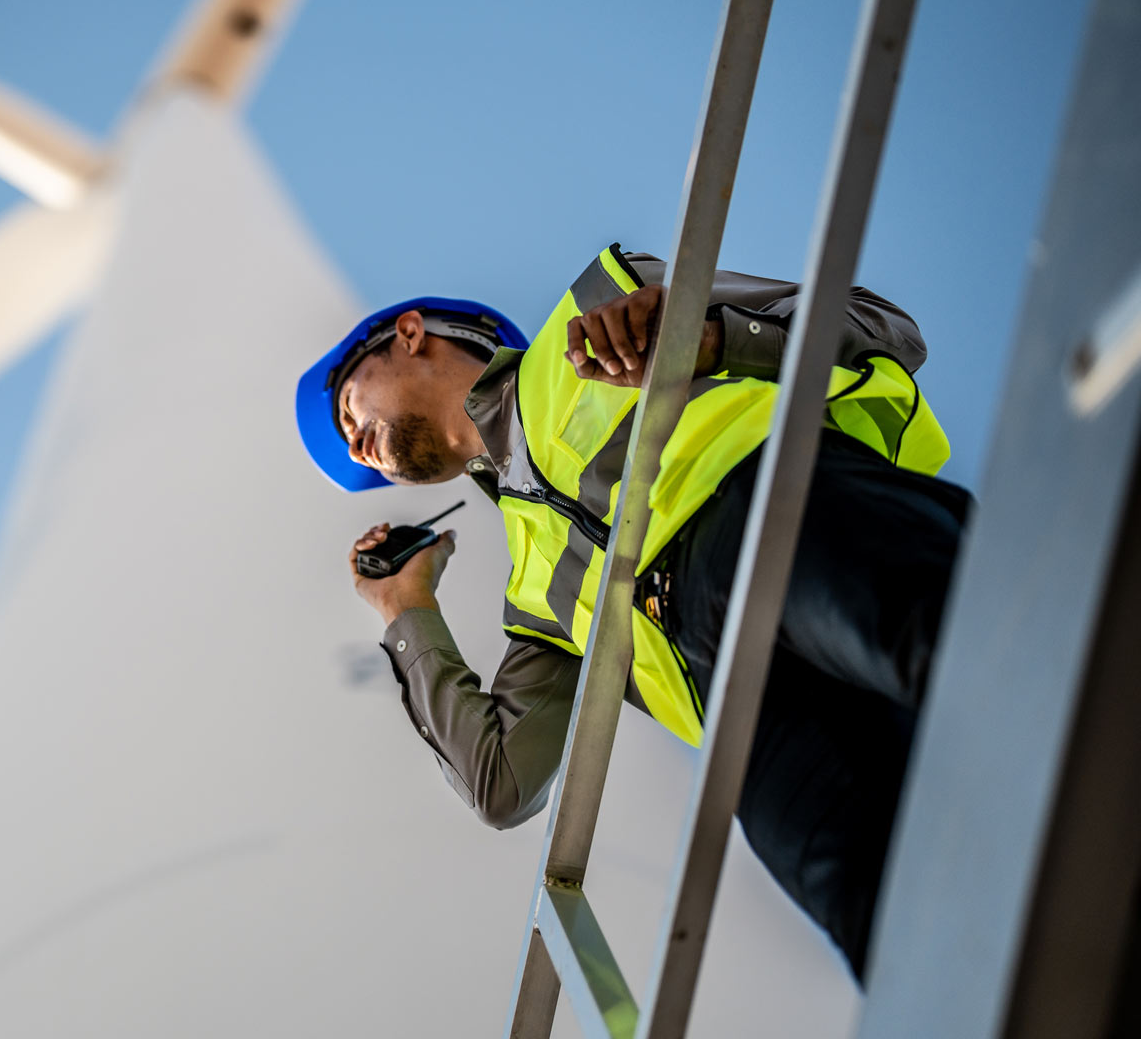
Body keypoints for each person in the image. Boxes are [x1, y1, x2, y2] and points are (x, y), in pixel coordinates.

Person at [294, 245, 971, 978]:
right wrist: (407, 609)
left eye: (346, 410)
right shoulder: (534, 596)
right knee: (881, 915)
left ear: (409, 333)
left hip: (774, 503)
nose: (357, 447)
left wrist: (705, 341)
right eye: (352, 455)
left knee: (972, 667)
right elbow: (502, 784)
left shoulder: (599, 313)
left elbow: (882, 327)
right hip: (730, 700)